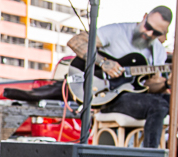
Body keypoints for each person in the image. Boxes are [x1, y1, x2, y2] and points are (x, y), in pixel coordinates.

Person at [68, 6, 172, 148]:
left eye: (156, 33)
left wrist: (167, 84)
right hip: (109, 96)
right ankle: (151, 156)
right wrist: (103, 62)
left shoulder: (158, 50)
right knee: (158, 105)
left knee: (170, 101)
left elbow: (150, 86)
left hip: (137, 97)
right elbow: (75, 41)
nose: (149, 33)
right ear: (144, 17)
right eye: (148, 27)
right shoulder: (118, 31)